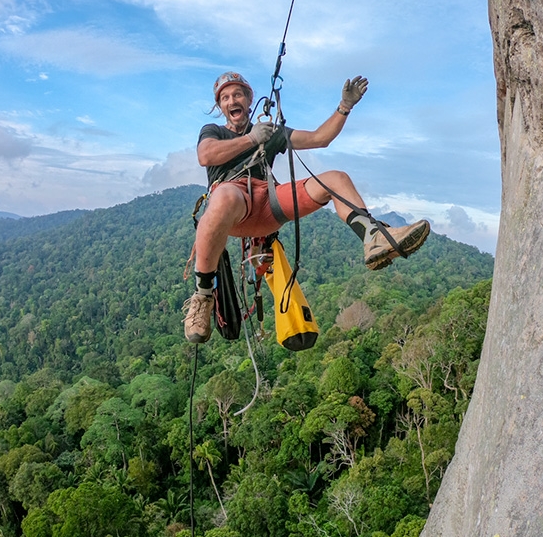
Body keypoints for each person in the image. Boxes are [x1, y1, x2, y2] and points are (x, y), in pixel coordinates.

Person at [183, 71, 431, 343]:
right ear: (221, 107)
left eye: (238, 94)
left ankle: (374, 238)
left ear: (249, 100)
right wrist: (252, 139)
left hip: (268, 201)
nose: (232, 100)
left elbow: (319, 138)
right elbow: (206, 155)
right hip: (233, 203)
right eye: (226, 97)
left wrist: (344, 107)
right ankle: (203, 296)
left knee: (336, 179)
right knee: (227, 196)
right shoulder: (214, 132)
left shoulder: (269, 133)